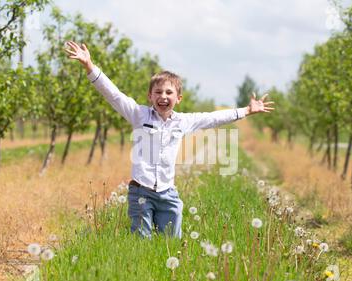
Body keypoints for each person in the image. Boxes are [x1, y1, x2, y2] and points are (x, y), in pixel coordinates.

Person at [65, 41, 275, 239]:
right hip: (141, 192)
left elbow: (212, 118)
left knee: (172, 241)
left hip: (168, 193)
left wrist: (246, 110)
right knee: (141, 242)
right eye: (158, 92)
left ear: (178, 98)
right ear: (150, 96)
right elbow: (114, 95)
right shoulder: (139, 115)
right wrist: (89, 66)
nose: (163, 96)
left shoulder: (183, 121)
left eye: (168, 92)